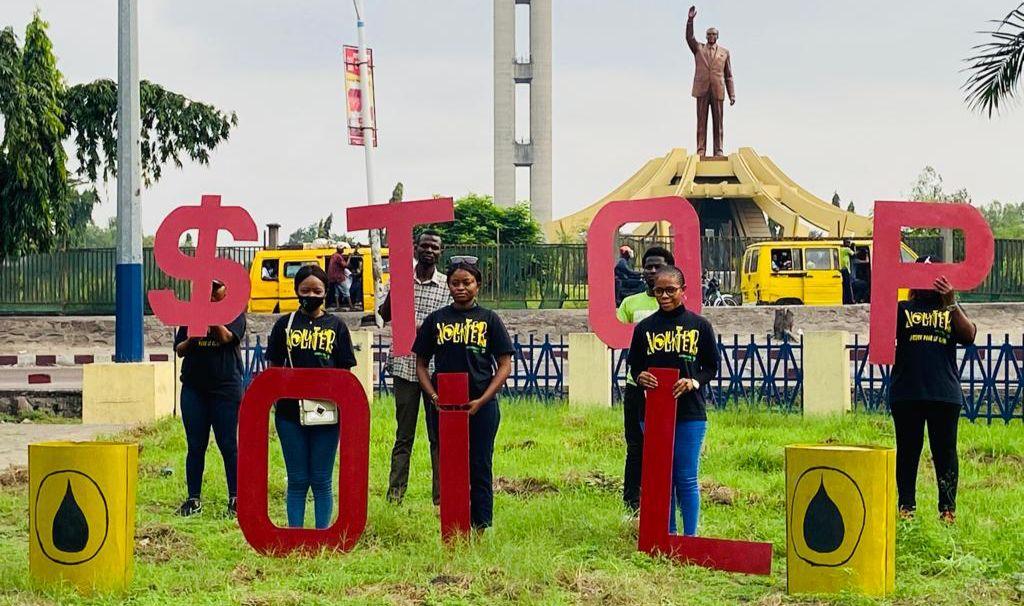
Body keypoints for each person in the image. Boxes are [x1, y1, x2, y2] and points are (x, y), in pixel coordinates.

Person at [413, 260, 514, 530]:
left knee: (480, 465)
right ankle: (454, 527)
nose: (461, 288)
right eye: (455, 283)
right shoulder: (436, 320)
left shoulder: (489, 319)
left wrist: (483, 399)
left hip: (482, 405)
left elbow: (504, 364)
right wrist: (434, 398)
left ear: (477, 285)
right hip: (445, 407)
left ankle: (482, 528)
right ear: (448, 286)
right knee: (450, 467)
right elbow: (420, 364)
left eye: (467, 283)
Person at [627, 266, 720, 536]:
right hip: (654, 413)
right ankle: (667, 535)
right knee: (663, 478)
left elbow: (711, 367)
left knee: (686, 477)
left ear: (683, 290)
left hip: (690, 413)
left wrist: (693, 382)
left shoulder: (699, 325)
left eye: (670, 290)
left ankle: (690, 537)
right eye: (659, 291)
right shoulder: (644, 328)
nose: (664, 296)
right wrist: (641, 376)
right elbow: (635, 366)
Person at [265, 265, 357, 529]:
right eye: (305, 290)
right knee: (296, 479)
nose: (311, 295)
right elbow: (273, 368)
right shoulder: (284, 325)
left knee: (321, 479)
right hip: (289, 414)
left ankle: (321, 535)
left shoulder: (337, 326)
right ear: (296, 290)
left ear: (326, 292)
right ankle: (295, 534)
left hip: (326, 413)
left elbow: (345, 374)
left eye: (317, 290)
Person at [889, 257, 976, 524]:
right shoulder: (902, 309)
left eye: (934, 275)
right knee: (907, 451)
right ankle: (906, 508)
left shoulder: (950, 309)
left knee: (945, 453)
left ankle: (947, 511)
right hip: (907, 392)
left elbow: (969, 336)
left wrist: (951, 302)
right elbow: (880, 331)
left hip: (944, 394)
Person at [380, 231, 452, 505]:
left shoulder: (446, 285)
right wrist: (398, 287)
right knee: (403, 435)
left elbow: (446, 325)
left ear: (441, 252)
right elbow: (385, 315)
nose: (429, 250)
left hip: (435, 370)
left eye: (434, 247)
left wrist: (416, 328)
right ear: (415, 248)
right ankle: (395, 495)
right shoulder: (400, 280)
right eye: (425, 246)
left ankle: (441, 497)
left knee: (438, 435)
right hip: (404, 367)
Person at [173, 279, 246, 517]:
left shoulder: (235, 313)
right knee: (195, 445)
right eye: (207, 290)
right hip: (194, 389)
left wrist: (209, 316)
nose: (211, 295)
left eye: (216, 291)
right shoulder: (191, 314)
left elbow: (226, 338)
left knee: (228, 444)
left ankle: (236, 499)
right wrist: (193, 338)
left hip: (225, 389)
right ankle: (193, 500)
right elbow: (180, 349)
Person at [615, 246, 675, 516]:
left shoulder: (676, 306)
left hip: (669, 388)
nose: (651, 271)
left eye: (657, 266)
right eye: (648, 267)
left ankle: (664, 503)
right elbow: (615, 336)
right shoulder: (630, 304)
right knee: (636, 446)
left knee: (666, 448)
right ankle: (632, 504)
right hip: (636, 386)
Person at [685, 5, 735, 156]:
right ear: (706, 36)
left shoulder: (724, 53)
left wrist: (732, 94)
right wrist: (690, 21)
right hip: (702, 88)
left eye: (713, 34)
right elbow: (689, 38)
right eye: (709, 34)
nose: (711, 36)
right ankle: (701, 149)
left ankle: (718, 150)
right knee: (701, 122)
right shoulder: (699, 48)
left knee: (718, 122)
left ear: (717, 36)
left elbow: (728, 75)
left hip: (718, 89)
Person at [327, 244, 350, 310]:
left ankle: (338, 307)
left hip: (333, 278)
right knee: (346, 291)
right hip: (338, 277)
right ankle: (351, 306)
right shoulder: (339, 256)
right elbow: (345, 265)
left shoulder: (334, 255)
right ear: (340, 250)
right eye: (342, 249)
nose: (343, 250)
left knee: (336, 293)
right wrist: (350, 257)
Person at [839, 238, 855, 304]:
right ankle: (851, 300)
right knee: (848, 286)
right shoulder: (847, 249)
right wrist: (853, 247)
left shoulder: (840, 249)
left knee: (844, 286)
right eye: (848, 242)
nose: (849, 244)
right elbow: (854, 254)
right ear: (844, 243)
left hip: (841, 269)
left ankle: (845, 300)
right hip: (846, 269)